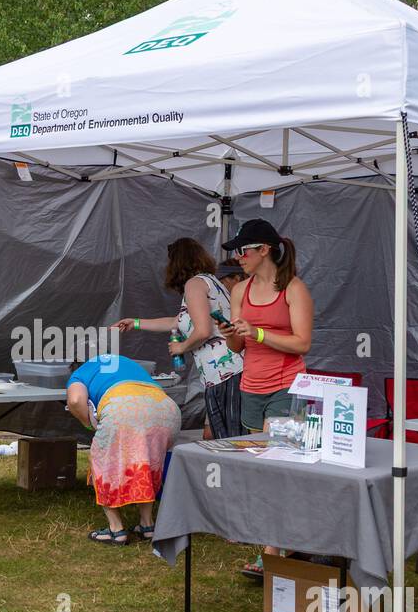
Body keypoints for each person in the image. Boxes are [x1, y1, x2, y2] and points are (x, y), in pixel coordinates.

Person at [220, 218, 312, 562]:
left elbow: (302, 343)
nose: (238, 257)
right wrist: (231, 332)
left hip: (287, 385)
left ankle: (273, 550)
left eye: (243, 251)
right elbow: (236, 349)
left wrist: (257, 332)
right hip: (251, 386)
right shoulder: (239, 291)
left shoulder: (293, 289)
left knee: (278, 465)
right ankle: (278, 538)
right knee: (260, 467)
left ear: (264, 250)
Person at [112, 238, 244, 438]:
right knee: (229, 437)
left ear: (176, 263)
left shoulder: (194, 284)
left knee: (230, 440)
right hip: (227, 374)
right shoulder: (210, 281)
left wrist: (181, 347)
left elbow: (203, 331)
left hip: (227, 374)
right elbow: (177, 321)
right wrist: (136, 323)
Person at [67, 353, 181, 544]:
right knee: (146, 464)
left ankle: (116, 530)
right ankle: (147, 525)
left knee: (103, 465)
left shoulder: (81, 373)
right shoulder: (127, 363)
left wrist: (88, 424)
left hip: (125, 409)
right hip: (167, 411)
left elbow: (76, 400)